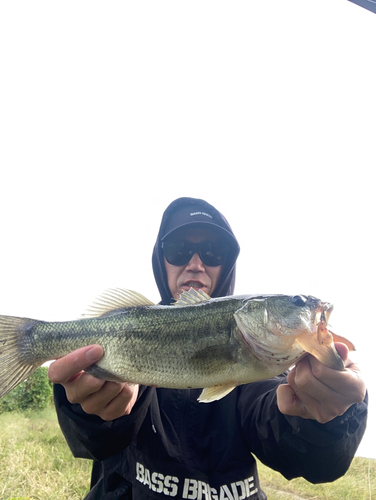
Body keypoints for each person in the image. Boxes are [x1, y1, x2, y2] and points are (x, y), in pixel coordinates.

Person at [49, 197, 367, 500]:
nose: (196, 264)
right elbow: (95, 443)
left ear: (227, 264)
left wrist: (324, 417)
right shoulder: (135, 329)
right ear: (161, 261)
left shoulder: (267, 358)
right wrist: (85, 407)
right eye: (178, 250)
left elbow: (294, 442)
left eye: (213, 252)